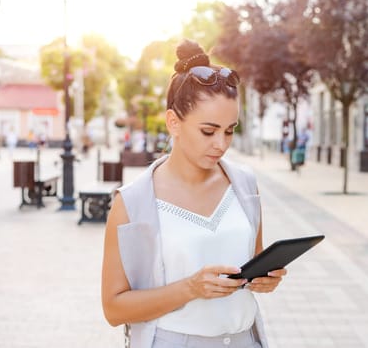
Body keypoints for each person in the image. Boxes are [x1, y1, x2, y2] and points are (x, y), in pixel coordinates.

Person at [101, 40, 286, 348]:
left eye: (230, 130)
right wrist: (190, 288)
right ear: (173, 122)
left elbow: (253, 264)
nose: (221, 144)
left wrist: (265, 279)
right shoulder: (132, 202)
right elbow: (114, 308)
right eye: (208, 131)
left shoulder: (245, 184)